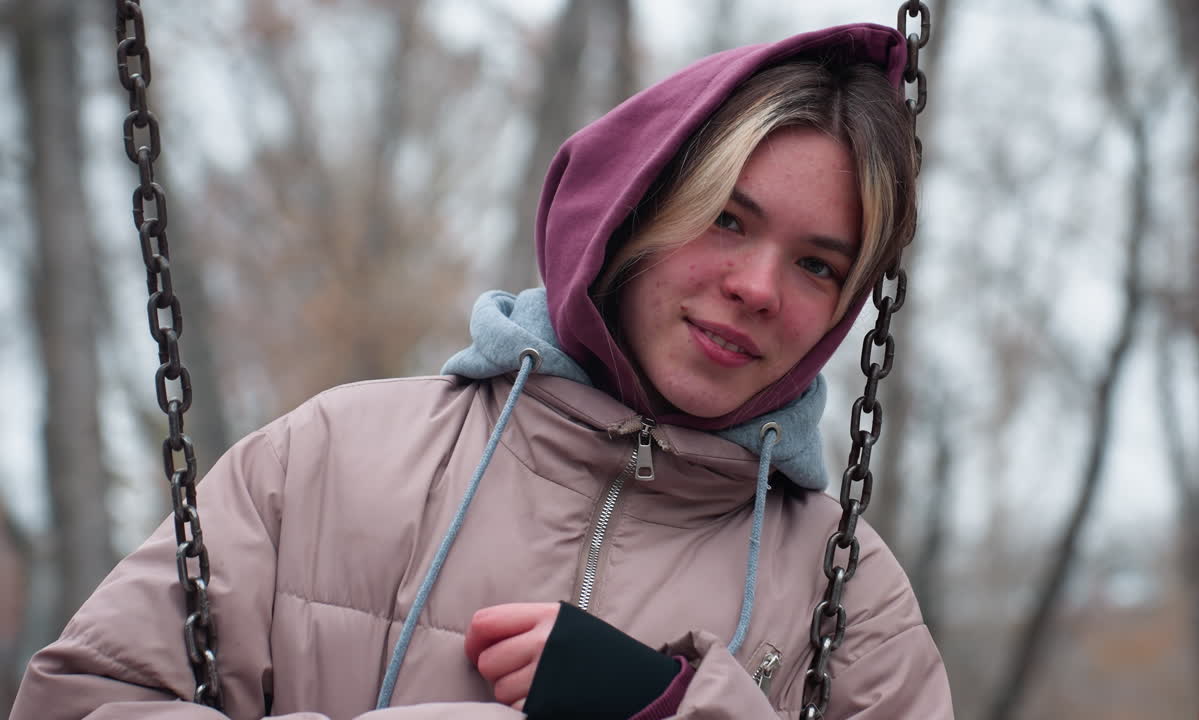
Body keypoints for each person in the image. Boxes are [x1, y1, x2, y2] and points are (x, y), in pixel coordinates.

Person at [14, 21, 952, 720]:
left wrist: (674, 708)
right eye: (727, 219)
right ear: (632, 214)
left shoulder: (850, 596)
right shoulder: (330, 459)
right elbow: (84, 699)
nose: (756, 288)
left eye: (817, 264)